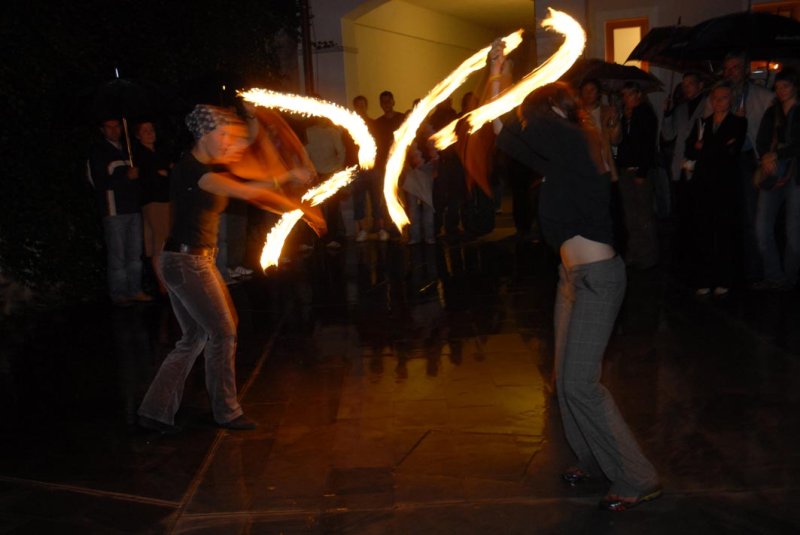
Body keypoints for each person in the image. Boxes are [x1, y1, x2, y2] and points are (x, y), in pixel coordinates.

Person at [492, 54, 661, 510]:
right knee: (564, 380)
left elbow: (516, 120)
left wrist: (503, 78)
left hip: (597, 281)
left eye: (538, 111)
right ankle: (592, 459)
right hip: (571, 278)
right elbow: (503, 130)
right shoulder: (564, 152)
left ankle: (638, 476)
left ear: (556, 111)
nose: (533, 119)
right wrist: (496, 75)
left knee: (581, 383)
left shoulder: (575, 138)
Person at [137, 104, 312, 434]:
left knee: (194, 337)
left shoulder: (205, 166)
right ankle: (226, 411)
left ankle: (154, 411)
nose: (229, 141)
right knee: (223, 332)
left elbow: (245, 174)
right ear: (204, 134)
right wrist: (288, 178)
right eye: (224, 135)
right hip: (187, 263)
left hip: (188, 260)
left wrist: (257, 130)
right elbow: (243, 190)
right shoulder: (194, 171)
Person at [716, 51, 774, 284]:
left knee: (752, 216)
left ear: (746, 69)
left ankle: (754, 271)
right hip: (726, 162)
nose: (730, 73)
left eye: (735, 68)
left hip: (750, 159)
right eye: (727, 68)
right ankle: (734, 267)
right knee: (729, 215)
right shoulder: (720, 96)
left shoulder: (763, 97)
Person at [684, 82, 747, 296]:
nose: (719, 101)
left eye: (724, 97)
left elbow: (732, 150)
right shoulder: (702, 123)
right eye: (716, 98)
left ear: (731, 100)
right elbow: (690, 148)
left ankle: (724, 278)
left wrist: (706, 147)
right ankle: (704, 278)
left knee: (723, 231)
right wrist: (712, 147)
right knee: (703, 230)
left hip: (725, 185)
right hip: (703, 184)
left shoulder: (738, 122)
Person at [88, 118, 153, 306]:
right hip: (114, 209)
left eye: (116, 126)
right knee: (118, 254)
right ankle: (119, 293)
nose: (114, 130)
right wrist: (126, 176)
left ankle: (135, 290)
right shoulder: (98, 152)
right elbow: (98, 182)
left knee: (135, 253)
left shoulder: (127, 150)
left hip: (133, 207)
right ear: (102, 129)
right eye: (109, 127)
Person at [754, 67, 800, 291]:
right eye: (778, 87)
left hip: (796, 174)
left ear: (795, 87)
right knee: (762, 227)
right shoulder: (773, 112)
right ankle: (774, 275)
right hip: (773, 171)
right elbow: (761, 140)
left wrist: (777, 154)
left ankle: (790, 279)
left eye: (786, 86)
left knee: (794, 231)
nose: (781, 91)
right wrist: (766, 156)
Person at [615, 81, 660, 269]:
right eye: (624, 95)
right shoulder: (626, 115)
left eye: (630, 94)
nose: (626, 99)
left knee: (643, 214)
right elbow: (623, 142)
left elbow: (647, 144)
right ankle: (634, 252)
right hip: (626, 168)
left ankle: (647, 255)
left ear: (638, 94)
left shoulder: (645, 113)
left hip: (640, 169)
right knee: (630, 214)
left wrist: (642, 170)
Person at [133, 121, 173, 296]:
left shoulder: (159, 152)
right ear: (138, 135)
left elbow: (169, 171)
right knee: (160, 242)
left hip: (161, 200)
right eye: (145, 131)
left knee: (159, 242)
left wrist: (166, 172)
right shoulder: (141, 155)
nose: (150, 133)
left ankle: (163, 282)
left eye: (151, 129)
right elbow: (154, 176)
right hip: (155, 201)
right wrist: (164, 173)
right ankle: (163, 283)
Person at [371, 90, 406, 241]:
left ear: (393, 102)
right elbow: (375, 145)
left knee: (401, 195)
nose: (386, 104)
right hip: (383, 165)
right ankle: (390, 227)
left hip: (400, 164)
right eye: (383, 102)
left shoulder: (402, 119)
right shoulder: (378, 123)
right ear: (380, 104)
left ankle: (401, 227)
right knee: (386, 197)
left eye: (388, 101)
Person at [402, 141, 437, 245]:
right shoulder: (408, 136)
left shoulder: (424, 137)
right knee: (415, 209)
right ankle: (419, 237)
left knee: (425, 207)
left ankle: (425, 237)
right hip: (412, 172)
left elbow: (434, 152)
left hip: (424, 170)